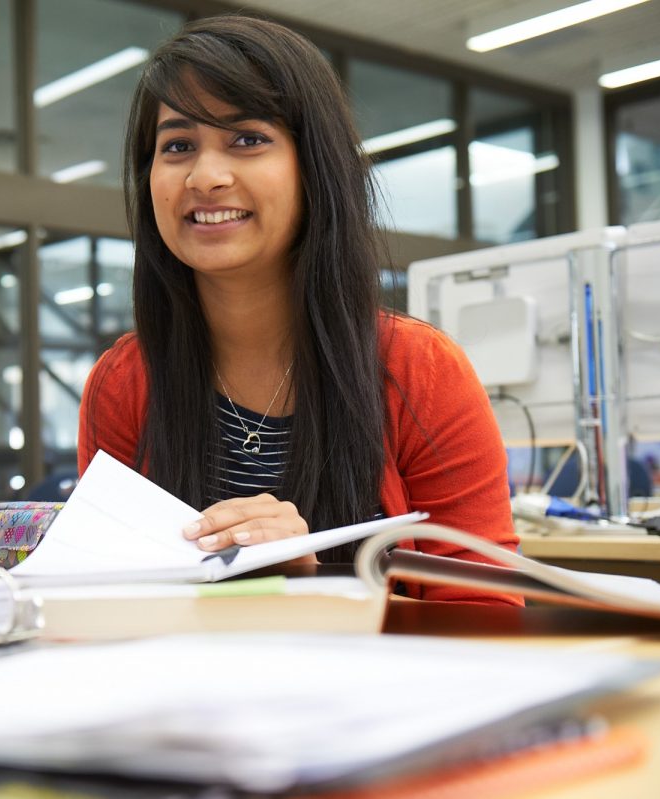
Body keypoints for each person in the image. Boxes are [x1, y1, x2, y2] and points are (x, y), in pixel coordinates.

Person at [76, 15, 521, 605]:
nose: (206, 177)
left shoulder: (421, 371)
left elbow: (489, 618)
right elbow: (99, 600)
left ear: (314, 168)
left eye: (247, 139)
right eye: (178, 145)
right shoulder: (124, 383)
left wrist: (314, 593)